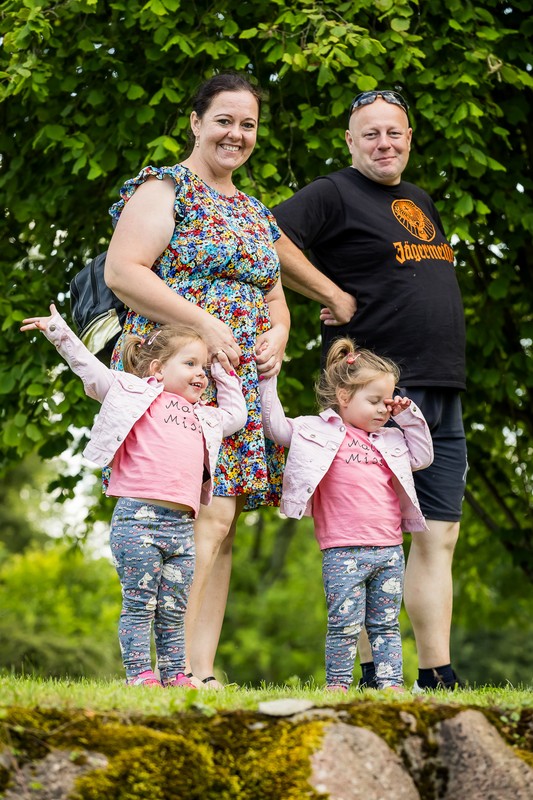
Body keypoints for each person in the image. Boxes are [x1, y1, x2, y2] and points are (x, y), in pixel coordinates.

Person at [273, 89, 467, 691]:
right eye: (371, 134)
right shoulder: (333, 192)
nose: (385, 144)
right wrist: (330, 294)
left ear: (409, 138)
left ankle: (436, 673)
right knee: (364, 537)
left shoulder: (419, 199)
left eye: (394, 133)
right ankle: (371, 673)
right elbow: (262, 235)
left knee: (441, 531)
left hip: (439, 387)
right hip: (373, 397)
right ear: (350, 141)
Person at [104, 73, 290, 689]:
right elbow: (123, 272)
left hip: (237, 380)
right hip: (180, 374)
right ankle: (168, 668)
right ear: (196, 122)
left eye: (248, 125)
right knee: (195, 515)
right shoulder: (165, 189)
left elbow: (274, 297)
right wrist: (207, 325)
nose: (236, 134)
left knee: (223, 521)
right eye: (224, 121)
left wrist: (278, 334)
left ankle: (200, 670)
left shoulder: (255, 211)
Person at [21, 305, 247, 687]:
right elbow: (89, 369)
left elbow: (237, 415)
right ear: (158, 369)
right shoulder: (133, 394)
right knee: (141, 604)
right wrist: (58, 331)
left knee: (174, 607)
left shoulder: (205, 416)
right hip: (138, 520)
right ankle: (140, 674)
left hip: (181, 527)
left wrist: (224, 372)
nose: (200, 374)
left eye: (203, 368)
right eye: (190, 364)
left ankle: (174, 674)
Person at [260, 337, 433, 691]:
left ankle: (391, 685)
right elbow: (275, 427)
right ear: (343, 396)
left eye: (388, 401)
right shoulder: (317, 430)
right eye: (374, 401)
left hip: (389, 549)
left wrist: (407, 416)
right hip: (342, 550)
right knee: (344, 624)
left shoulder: (391, 439)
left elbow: (423, 456)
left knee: (386, 625)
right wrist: (269, 379)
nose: (383, 410)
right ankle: (337, 685)